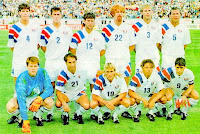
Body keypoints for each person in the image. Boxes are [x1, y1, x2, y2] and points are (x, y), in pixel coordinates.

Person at [6, 3, 40, 126]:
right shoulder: (14, 28)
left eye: (27, 11)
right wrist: (21, 57)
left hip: (33, 63)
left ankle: (37, 114)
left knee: (35, 87)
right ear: (19, 13)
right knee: (18, 89)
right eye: (23, 11)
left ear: (30, 12)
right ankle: (20, 116)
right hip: (19, 63)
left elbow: (38, 44)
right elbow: (12, 46)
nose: (25, 13)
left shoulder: (36, 27)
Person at [101, 4, 135, 119]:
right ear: (113, 13)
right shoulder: (107, 29)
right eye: (117, 11)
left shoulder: (129, 28)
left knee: (124, 84)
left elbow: (132, 45)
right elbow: (103, 45)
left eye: (121, 11)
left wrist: (124, 54)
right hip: (111, 60)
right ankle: (106, 109)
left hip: (124, 60)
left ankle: (124, 109)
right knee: (108, 84)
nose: (119, 13)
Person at [70, 12, 105, 120]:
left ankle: (93, 112)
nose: (90, 23)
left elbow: (102, 50)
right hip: (81, 66)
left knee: (93, 88)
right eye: (88, 20)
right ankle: (77, 112)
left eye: (91, 20)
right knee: (79, 89)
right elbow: (72, 50)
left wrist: (92, 58)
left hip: (94, 66)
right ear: (84, 21)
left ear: (94, 22)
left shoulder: (98, 36)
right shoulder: (77, 35)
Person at [40, 6, 73, 121]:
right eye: (54, 14)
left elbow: (70, 46)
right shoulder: (46, 30)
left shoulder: (67, 30)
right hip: (50, 62)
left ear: (61, 15)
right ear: (51, 15)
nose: (56, 16)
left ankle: (64, 113)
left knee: (62, 87)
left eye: (58, 14)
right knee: (50, 87)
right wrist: (51, 54)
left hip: (62, 63)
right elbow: (43, 46)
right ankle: (50, 112)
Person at [7, 56, 54, 133]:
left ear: (38, 66)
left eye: (35, 66)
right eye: (31, 66)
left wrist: (39, 99)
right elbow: (21, 98)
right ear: (27, 66)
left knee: (50, 102)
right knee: (10, 106)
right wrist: (25, 119)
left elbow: (49, 89)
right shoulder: (22, 78)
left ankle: (38, 115)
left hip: (37, 96)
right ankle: (20, 118)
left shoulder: (43, 73)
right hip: (24, 98)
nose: (33, 68)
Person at [55, 53, 90, 125]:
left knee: (87, 106)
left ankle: (78, 114)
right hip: (67, 93)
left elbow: (96, 74)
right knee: (58, 104)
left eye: (74, 62)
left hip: (79, 92)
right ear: (66, 63)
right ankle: (65, 115)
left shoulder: (82, 70)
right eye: (69, 62)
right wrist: (64, 104)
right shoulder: (63, 74)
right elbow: (58, 92)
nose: (72, 65)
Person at [131, 4, 162, 73]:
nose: (147, 12)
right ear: (141, 12)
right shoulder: (136, 26)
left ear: (152, 12)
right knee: (140, 80)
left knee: (155, 80)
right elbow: (133, 43)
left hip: (154, 58)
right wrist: (140, 51)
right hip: (141, 58)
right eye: (145, 11)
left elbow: (158, 42)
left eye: (149, 10)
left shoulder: (157, 26)